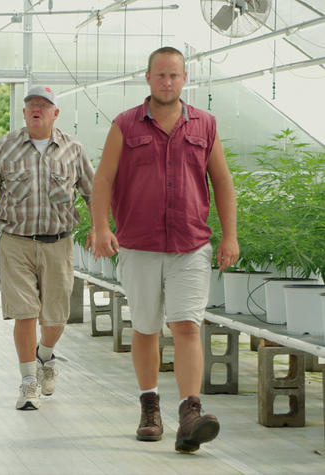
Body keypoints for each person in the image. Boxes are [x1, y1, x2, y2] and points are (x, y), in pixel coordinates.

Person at [91, 46, 239, 453]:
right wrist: (101, 227)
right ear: (148, 77)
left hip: (190, 244)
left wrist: (230, 236)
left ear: (185, 78)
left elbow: (222, 182)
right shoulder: (126, 125)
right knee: (145, 327)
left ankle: (190, 412)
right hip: (139, 244)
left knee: (187, 325)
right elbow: (103, 179)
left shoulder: (205, 125)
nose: (167, 82)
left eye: (174, 75)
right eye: (160, 75)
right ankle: (149, 405)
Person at [0, 85, 94, 410]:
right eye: (31, 105)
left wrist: (99, 228)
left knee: (55, 317)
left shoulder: (73, 149)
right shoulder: (5, 147)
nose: (37, 109)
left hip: (58, 243)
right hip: (15, 242)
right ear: (24, 113)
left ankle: (45, 355)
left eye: (44, 105)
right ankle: (28, 383)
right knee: (25, 313)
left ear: (55, 113)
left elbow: (92, 192)